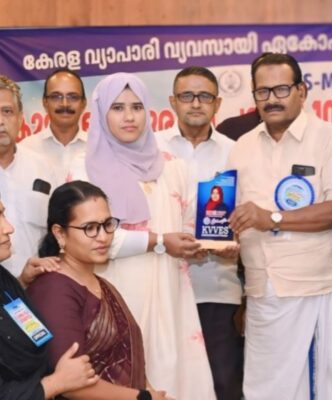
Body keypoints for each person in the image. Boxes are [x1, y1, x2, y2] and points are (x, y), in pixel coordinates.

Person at [67, 72, 216, 400]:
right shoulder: (84, 168)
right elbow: (87, 240)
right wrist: (159, 241)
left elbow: (187, 227)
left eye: (137, 107)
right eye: (118, 107)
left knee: (171, 376)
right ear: (101, 112)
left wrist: (208, 244)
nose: (129, 116)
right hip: (113, 294)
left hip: (168, 292)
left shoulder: (172, 166)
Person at [227, 52, 332, 399]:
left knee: (325, 389)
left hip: (317, 290)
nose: (271, 99)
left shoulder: (330, 137)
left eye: (281, 89)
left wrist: (272, 219)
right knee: (265, 391)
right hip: (262, 293)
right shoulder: (242, 147)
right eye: (262, 91)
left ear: (302, 91)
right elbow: (234, 217)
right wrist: (223, 240)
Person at [27, 181, 171, 399]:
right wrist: (143, 398)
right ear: (60, 233)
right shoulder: (53, 290)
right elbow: (72, 385)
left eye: (107, 224)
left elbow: (129, 360)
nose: (103, 237)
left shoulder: (103, 285)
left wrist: (150, 392)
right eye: (90, 228)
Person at [155, 66, 243, 400]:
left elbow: (247, 214)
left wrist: (238, 243)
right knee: (167, 383)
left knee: (223, 384)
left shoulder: (236, 151)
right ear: (172, 102)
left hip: (216, 288)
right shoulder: (150, 148)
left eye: (204, 96)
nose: (195, 103)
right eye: (187, 96)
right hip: (162, 287)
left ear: (218, 103)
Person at [0, 198, 100, 399]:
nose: (9, 228)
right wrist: (56, 383)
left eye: (2, 214)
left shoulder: (4, 278)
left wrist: (22, 282)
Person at [0, 75, 56, 277]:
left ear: (20, 118)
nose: (0, 121)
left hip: (38, 285)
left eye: (7, 111)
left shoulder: (43, 167)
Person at [19, 69, 88, 182]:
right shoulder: (26, 149)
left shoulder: (98, 149)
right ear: (45, 103)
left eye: (73, 97)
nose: (65, 104)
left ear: (83, 103)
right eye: (56, 97)